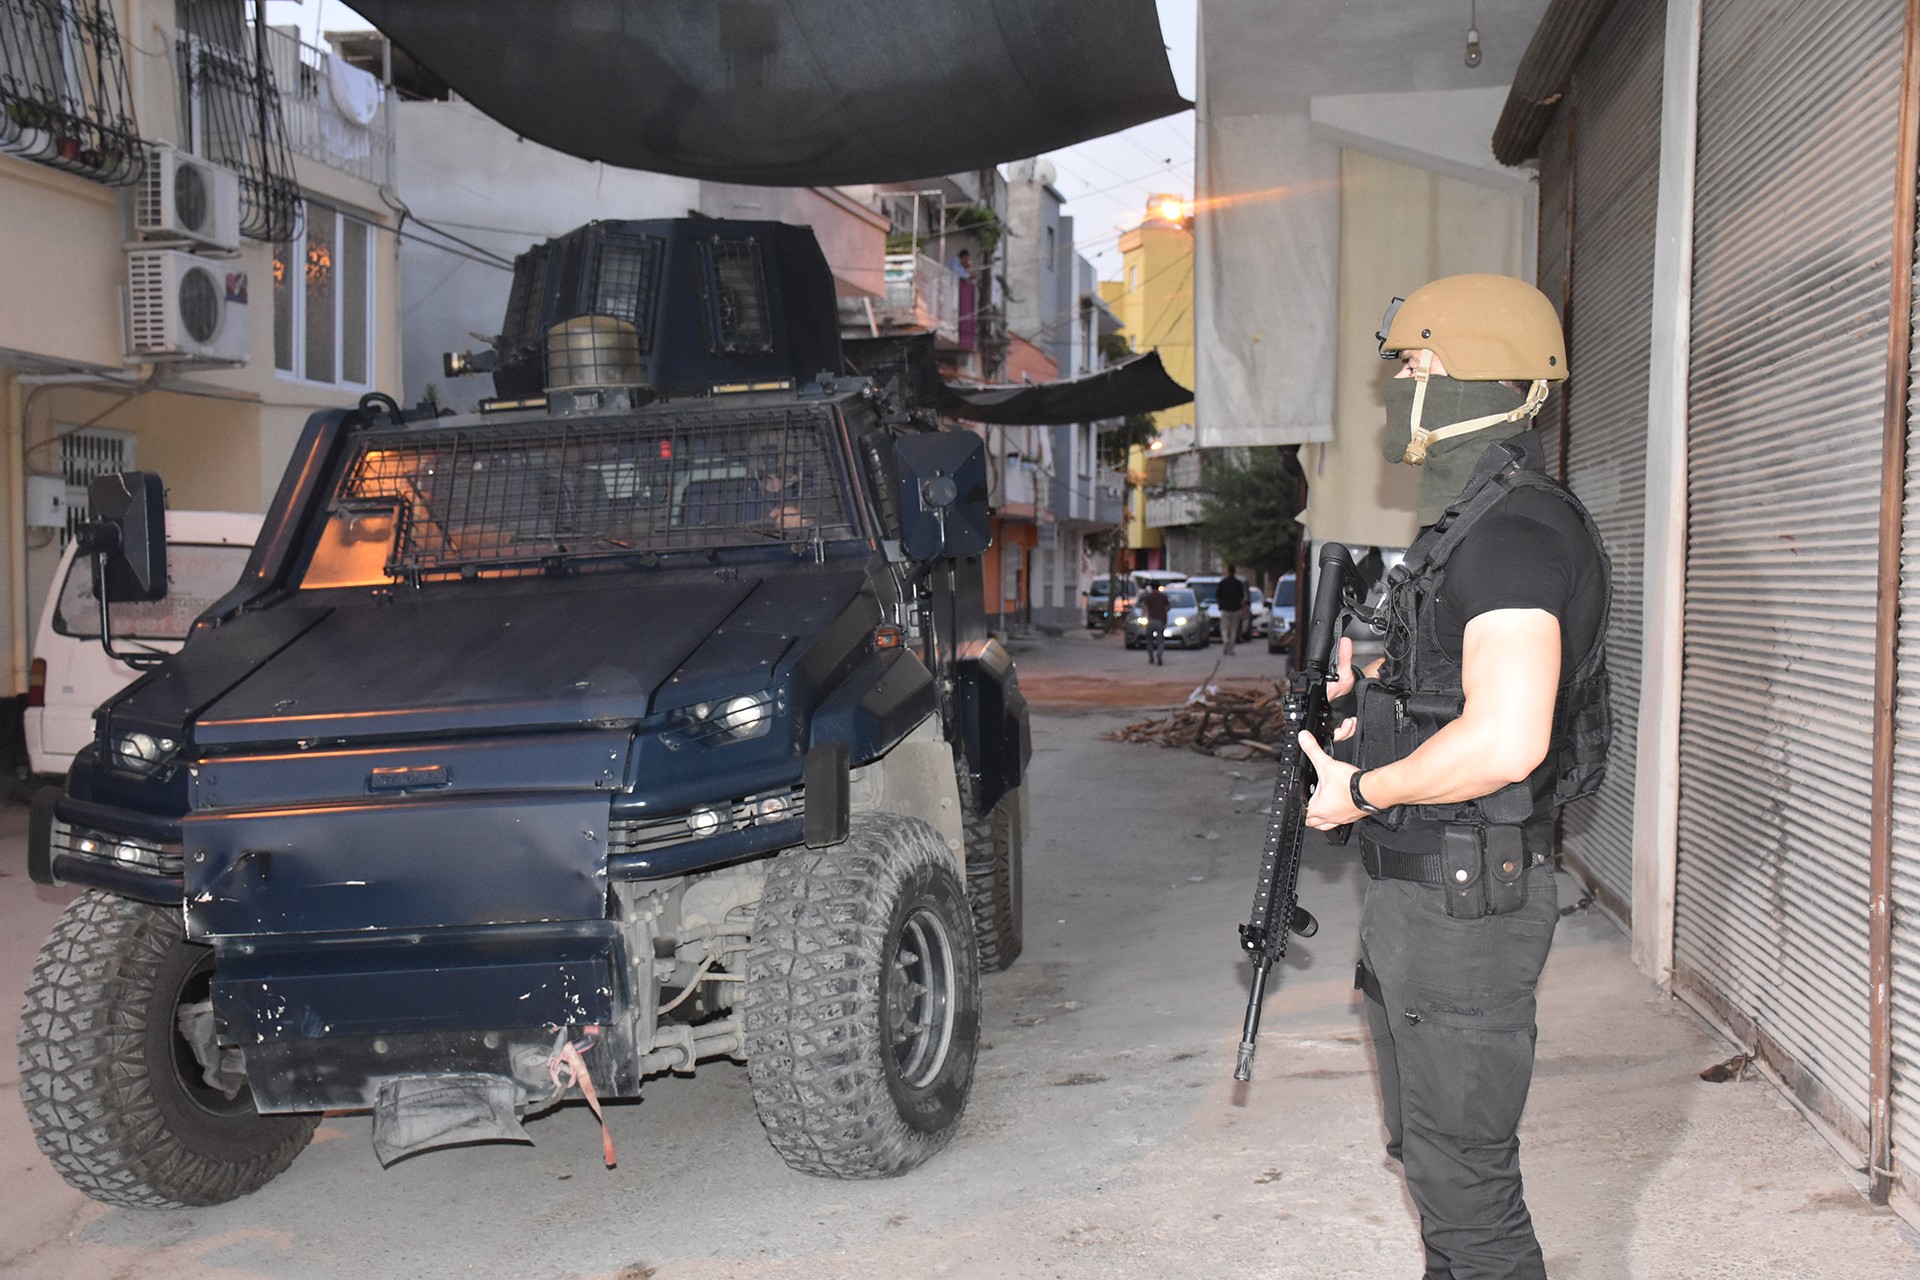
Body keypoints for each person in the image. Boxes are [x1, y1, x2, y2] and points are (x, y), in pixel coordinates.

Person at [1297, 273, 1612, 1280]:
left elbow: (1508, 737)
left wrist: (1361, 791)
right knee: (1433, 1164)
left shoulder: (1518, 534)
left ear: (1474, 379)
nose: (1398, 385)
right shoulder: (1473, 525)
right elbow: (1454, 685)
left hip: (1466, 906)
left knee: (1470, 1193)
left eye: (1416, 364)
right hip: (1429, 891)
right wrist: (1377, 697)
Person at [1215, 564, 1248, 655]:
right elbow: (1242, 597)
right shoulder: (1238, 583)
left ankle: (1225, 640)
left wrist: (1220, 605)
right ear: (1235, 571)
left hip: (1225, 609)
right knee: (1234, 629)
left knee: (1224, 628)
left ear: (1228, 571)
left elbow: (1218, 596)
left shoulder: (1223, 583)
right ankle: (1231, 647)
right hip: (1236, 609)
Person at [1141, 582, 1171, 665]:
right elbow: (1168, 607)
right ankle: (1159, 654)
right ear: (1158, 587)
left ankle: (1151, 656)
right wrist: (1164, 611)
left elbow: (1145, 608)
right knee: (1160, 640)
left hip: (1151, 621)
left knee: (1149, 640)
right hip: (1161, 621)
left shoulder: (1149, 597)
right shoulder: (1163, 596)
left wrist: (1142, 617)